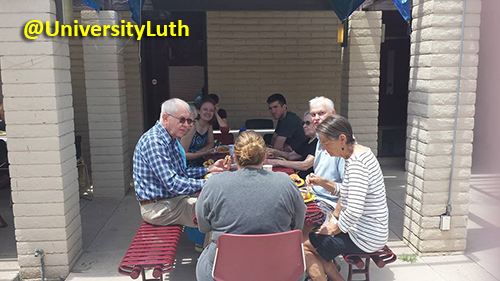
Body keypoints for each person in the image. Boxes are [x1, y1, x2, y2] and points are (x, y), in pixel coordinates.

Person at [196, 131, 306, 281]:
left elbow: (203, 226)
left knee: (205, 257)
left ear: (234, 157)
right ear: (265, 157)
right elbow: (298, 224)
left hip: (226, 271)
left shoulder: (214, 183)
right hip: (280, 270)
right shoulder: (286, 182)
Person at [304, 115, 389, 281]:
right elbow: (349, 191)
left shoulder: (357, 164)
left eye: (326, 143)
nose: (323, 148)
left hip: (366, 237)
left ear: (342, 139)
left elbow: (354, 211)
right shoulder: (360, 153)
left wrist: (332, 229)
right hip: (371, 231)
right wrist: (323, 182)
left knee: (305, 246)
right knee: (316, 242)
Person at [133, 98, 229, 227]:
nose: (187, 125)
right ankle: (212, 246)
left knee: (219, 201)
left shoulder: (170, 138)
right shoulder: (154, 142)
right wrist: (210, 182)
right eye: (182, 120)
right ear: (166, 118)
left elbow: (181, 173)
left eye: (190, 121)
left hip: (172, 199)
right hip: (157, 208)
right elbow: (172, 183)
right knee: (221, 212)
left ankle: (209, 245)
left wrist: (208, 169)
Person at [309, 97, 345, 208]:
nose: (316, 118)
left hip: (329, 202)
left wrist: (335, 218)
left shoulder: (341, 143)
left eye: (321, 113)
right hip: (314, 195)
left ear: (333, 114)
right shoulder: (320, 139)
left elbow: (349, 191)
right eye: (313, 115)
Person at [265, 111, 318, 179]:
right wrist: (272, 151)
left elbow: (305, 165)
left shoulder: (319, 142)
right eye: (303, 123)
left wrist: (277, 162)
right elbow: (290, 156)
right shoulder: (309, 140)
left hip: (308, 182)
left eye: (308, 123)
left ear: (317, 124)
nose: (304, 126)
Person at [181, 99, 216, 167]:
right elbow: (183, 155)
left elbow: (211, 143)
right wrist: (203, 153)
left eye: (211, 110)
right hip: (187, 166)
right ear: (198, 111)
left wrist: (201, 151)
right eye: (205, 109)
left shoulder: (208, 125)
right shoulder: (192, 126)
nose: (208, 112)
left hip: (201, 162)